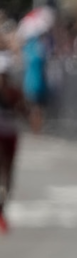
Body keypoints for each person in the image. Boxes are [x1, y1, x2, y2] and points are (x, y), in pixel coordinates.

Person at [0, 55, 26, 234]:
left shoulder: (14, 92)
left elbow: (24, 110)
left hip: (11, 134)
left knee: (8, 174)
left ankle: (2, 207)